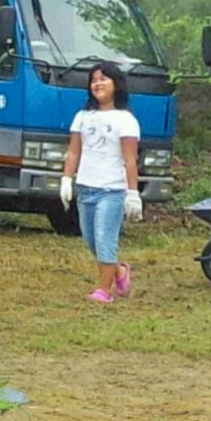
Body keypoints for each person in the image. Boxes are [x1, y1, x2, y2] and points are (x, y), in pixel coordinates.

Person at [60, 61, 142, 303]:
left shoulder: (125, 120)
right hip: (86, 188)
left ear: (116, 85)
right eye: (94, 80)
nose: (98, 84)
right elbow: (74, 151)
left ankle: (104, 291)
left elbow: (130, 160)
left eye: (103, 79)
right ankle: (119, 272)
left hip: (112, 190)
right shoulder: (83, 117)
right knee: (92, 241)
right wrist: (67, 179)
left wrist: (132, 193)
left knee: (105, 238)